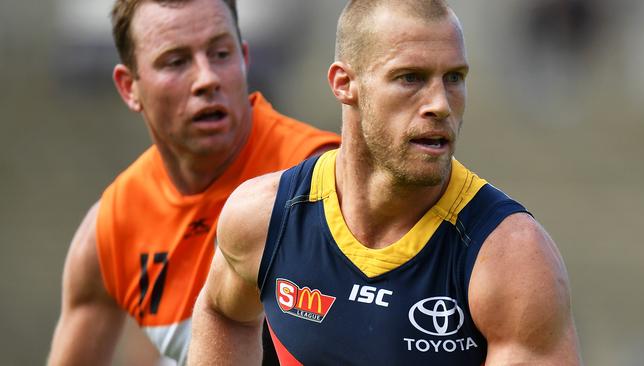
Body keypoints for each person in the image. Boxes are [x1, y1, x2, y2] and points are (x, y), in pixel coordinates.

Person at [187, 0, 582, 365]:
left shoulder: (511, 260)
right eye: (411, 78)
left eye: (454, 78)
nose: (440, 104)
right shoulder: (264, 217)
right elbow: (223, 312)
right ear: (344, 84)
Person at [47, 0, 340, 365]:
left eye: (220, 54)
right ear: (128, 87)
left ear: (244, 58)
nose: (207, 79)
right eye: (176, 61)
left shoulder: (325, 182)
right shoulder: (111, 230)